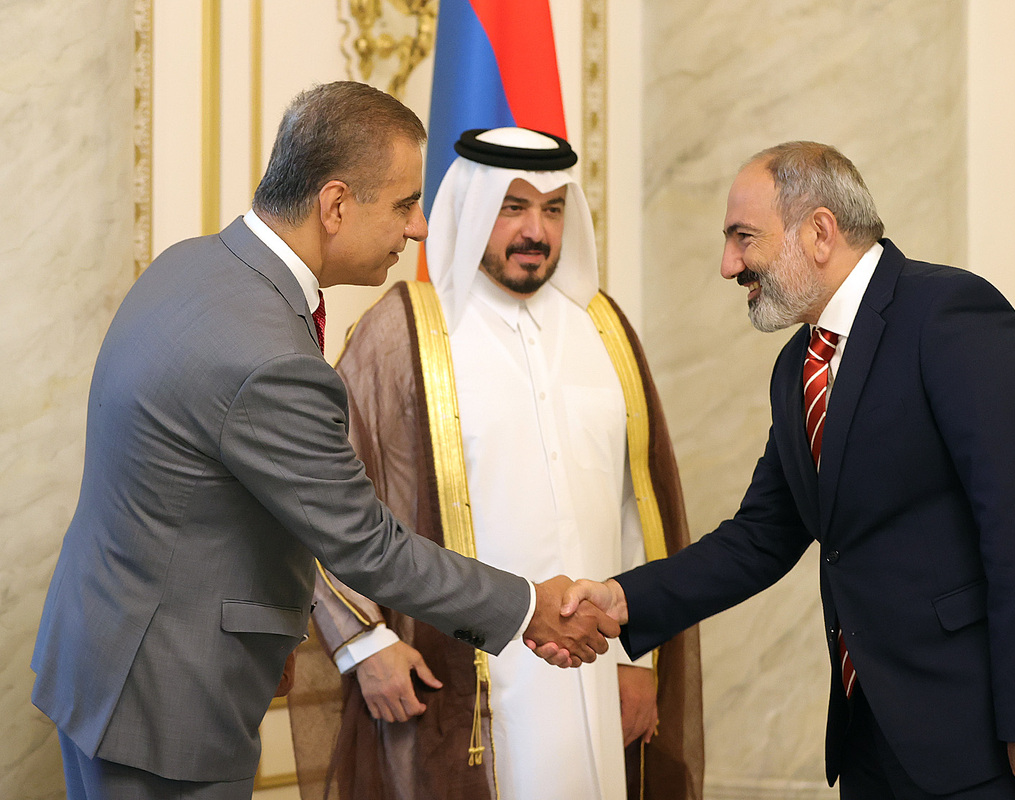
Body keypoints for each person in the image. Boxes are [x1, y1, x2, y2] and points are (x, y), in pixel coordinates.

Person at [30, 82, 618, 800]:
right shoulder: (269, 354)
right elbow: (367, 546)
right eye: (405, 204)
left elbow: (209, 494)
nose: (420, 228)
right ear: (336, 205)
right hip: (168, 699)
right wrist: (527, 606)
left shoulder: (195, 263)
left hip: (108, 654)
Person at [550, 141, 1015, 800]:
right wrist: (624, 599)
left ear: (820, 231)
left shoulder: (951, 313)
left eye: (744, 237)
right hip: (871, 730)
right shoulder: (796, 365)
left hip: (980, 727)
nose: (728, 265)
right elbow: (762, 536)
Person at [288, 127, 704, 800]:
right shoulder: (404, 331)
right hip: (460, 683)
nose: (536, 230)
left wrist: (640, 656)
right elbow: (321, 500)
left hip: (596, 679)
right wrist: (364, 645)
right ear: (473, 208)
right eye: (513, 207)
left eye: (553, 209)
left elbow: (639, 507)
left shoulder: (604, 330)